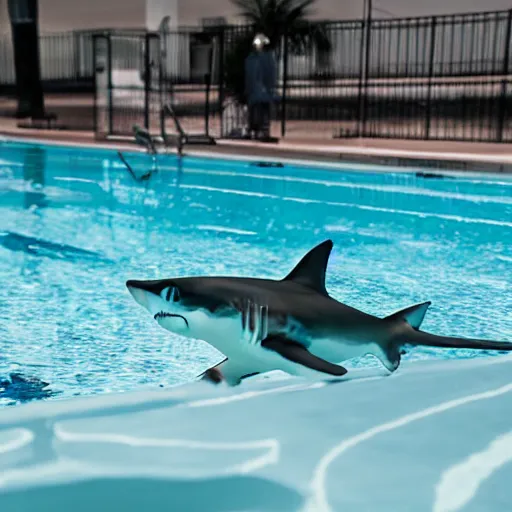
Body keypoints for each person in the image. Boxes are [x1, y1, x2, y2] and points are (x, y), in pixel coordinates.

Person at [244, 33, 277, 140]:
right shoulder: (252, 58)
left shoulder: (267, 58)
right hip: (255, 90)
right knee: (254, 111)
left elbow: (269, 74)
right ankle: (254, 130)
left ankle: (263, 130)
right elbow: (250, 74)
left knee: (263, 110)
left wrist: (268, 87)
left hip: (262, 90)